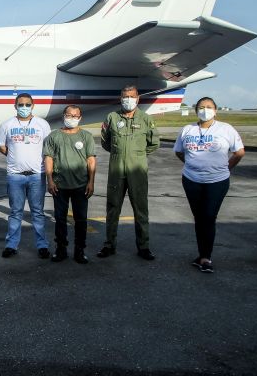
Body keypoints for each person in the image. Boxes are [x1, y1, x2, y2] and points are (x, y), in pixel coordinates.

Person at [173, 97, 245, 273]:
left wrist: (226, 168)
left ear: (216, 110)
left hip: (217, 181)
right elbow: (179, 151)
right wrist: (191, 164)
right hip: (191, 180)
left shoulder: (226, 129)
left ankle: (206, 257)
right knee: (199, 218)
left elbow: (239, 152)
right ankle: (201, 255)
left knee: (209, 216)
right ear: (195, 110)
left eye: (209, 107)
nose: (205, 110)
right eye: (201, 107)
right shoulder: (187, 129)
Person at [98, 85, 160, 260]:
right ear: (120, 98)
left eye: (132, 96)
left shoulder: (146, 119)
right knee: (112, 209)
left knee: (141, 209)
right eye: (125, 96)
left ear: (138, 98)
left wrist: (136, 154)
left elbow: (154, 143)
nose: (128, 99)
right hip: (116, 170)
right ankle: (109, 245)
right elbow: (105, 142)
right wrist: (121, 154)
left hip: (137, 170)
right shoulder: (112, 117)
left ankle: (143, 246)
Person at [0, 93, 52, 258]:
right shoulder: (7, 124)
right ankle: (11, 245)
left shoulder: (42, 124)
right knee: (15, 212)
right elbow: (1, 145)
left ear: (33, 105)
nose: (24, 107)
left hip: (37, 175)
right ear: (15, 106)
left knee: (37, 212)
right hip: (15, 176)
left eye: (27, 104)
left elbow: (48, 148)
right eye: (21, 104)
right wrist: (13, 155)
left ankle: (42, 245)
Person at [44, 105, 96, 264]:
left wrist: (91, 182)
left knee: (81, 220)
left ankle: (79, 251)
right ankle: (61, 249)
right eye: (69, 115)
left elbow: (91, 160)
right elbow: (48, 158)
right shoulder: (54, 136)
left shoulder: (86, 136)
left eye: (75, 116)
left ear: (80, 118)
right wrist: (50, 180)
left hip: (81, 185)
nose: (72, 118)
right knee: (60, 220)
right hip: (60, 185)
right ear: (63, 116)